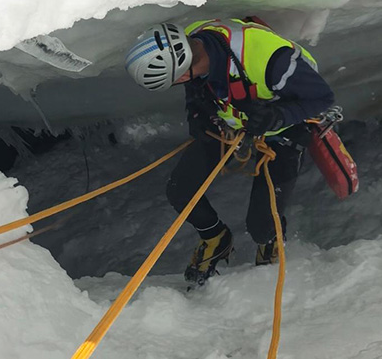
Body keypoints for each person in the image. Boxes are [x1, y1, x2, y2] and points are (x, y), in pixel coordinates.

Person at [124, 17, 335, 286]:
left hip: (286, 126)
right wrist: (198, 111)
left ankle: (269, 239)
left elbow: (322, 98)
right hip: (228, 118)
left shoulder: (270, 59)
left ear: (183, 72)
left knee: (261, 225)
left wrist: (277, 116)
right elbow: (196, 82)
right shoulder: (192, 39)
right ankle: (216, 237)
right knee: (181, 190)